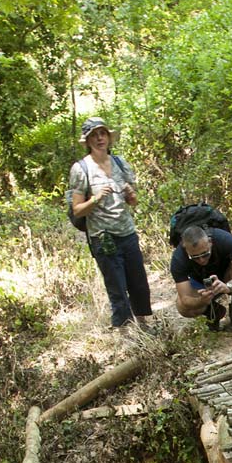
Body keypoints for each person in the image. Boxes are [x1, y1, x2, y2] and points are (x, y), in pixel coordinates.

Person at [69, 118, 152, 329]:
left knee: (138, 282)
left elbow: (133, 202)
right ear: (87, 141)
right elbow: (77, 209)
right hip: (103, 237)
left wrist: (131, 195)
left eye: (102, 134)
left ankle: (143, 325)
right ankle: (124, 331)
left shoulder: (120, 163)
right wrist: (95, 198)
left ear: (108, 137)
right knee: (117, 287)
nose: (99, 139)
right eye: (94, 135)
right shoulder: (81, 169)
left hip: (127, 232)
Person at [170, 224, 232, 332]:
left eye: (205, 254)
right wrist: (201, 301)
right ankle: (213, 312)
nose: (201, 260)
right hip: (199, 286)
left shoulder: (223, 238)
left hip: (227, 278)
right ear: (185, 249)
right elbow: (185, 299)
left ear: (210, 242)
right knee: (182, 307)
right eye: (195, 257)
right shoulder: (178, 258)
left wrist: (229, 286)